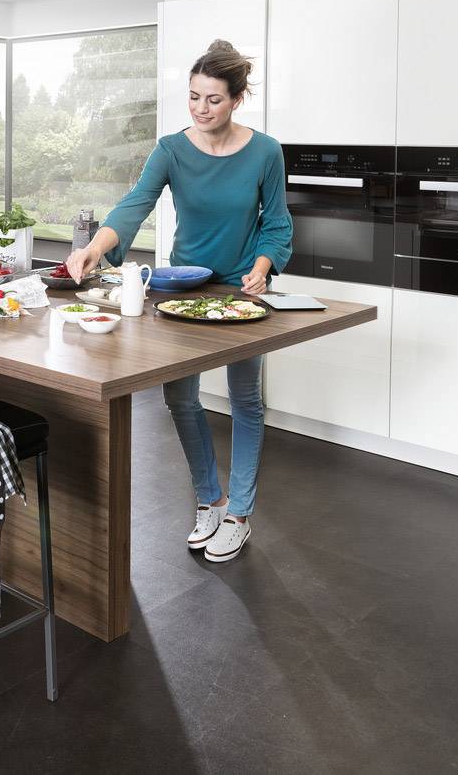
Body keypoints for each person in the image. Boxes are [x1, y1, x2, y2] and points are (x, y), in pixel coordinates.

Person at [65, 39, 292, 563]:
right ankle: (208, 500)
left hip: (240, 290)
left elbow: (276, 224)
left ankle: (239, 514)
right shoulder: (171, 149)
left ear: (236, 100)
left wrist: (262, 267)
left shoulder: (266, 151)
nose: (200, 109)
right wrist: (94, 249)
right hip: (182, 288)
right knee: (180, 398)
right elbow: (134, 205)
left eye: (212, 99)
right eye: (193, 97)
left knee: (245, 399)